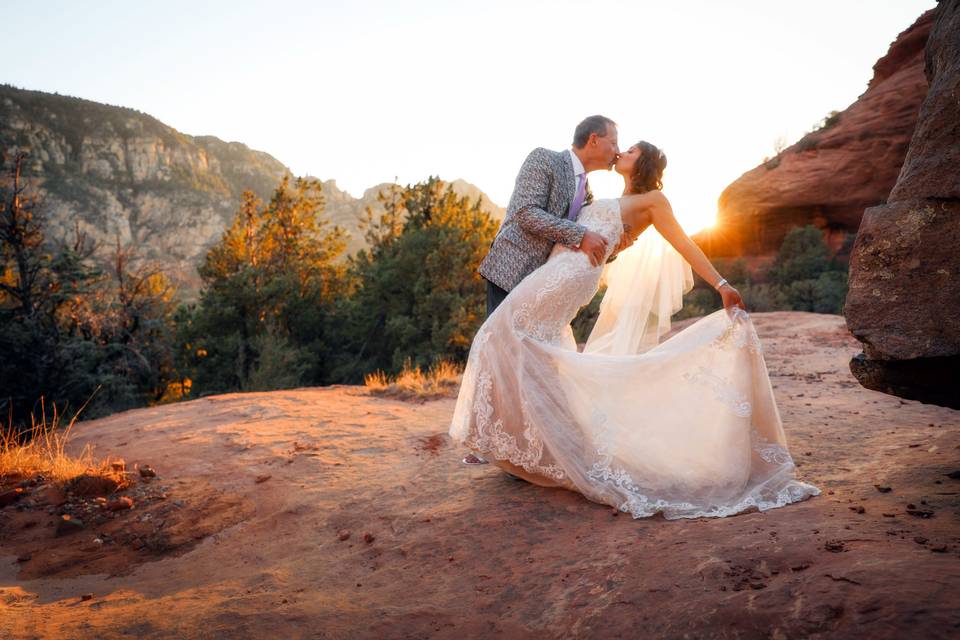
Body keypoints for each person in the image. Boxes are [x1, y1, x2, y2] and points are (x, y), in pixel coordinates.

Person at [449, 140, 821, 519]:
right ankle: (523, 448)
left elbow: (683, 243)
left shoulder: (654, 201)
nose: (621, 152)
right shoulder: (608, 197)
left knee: (498, 335)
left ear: (643, 163)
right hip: (557, 271)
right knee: (525, 346)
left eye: (629, 150)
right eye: (621, 147)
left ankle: (510, 444)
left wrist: (721, 284)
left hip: (569, 276)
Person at [462, 115, 630, 468]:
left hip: (541, 285)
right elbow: (525, 213)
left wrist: (612, 246)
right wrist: (579, 235)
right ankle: (483, 442)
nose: (617, 149)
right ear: (595, 139)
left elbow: (583, 241)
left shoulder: (587, 190)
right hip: (511, 271)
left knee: (532, 363)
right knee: (499, 352)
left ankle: (524, 445)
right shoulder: (545, 159)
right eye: (614, 141)